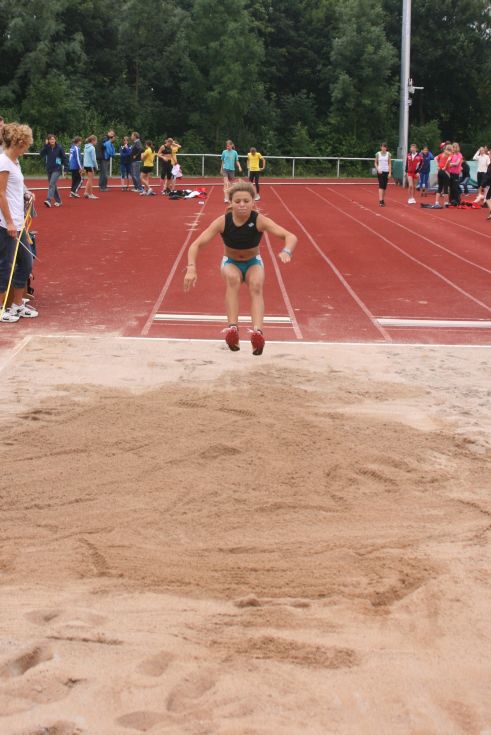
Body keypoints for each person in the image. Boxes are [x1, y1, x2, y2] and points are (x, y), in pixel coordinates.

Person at [183, 181, 297, 356]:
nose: (242, 205)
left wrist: (286, 250)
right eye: (237, 201)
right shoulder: (223, 221)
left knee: (256, 285)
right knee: (233, 280)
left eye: (246, 201)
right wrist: (191, 268)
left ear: (253, 202)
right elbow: (195, 244)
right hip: (231, 262)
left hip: (253, 262)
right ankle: (232, 329)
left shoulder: (259, 220)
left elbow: (290, 236)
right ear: (230, 203)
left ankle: (257, 333)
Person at [0, 122, 38, 322]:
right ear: (19, 142)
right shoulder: (4, 162)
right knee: (6, 265)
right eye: (26, 144)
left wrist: (27, 193)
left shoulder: (14, 162)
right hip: (7, 224)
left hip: (18, 221)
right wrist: (9, 222)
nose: (27, 148)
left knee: (26, 262)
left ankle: (16, 305)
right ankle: (1, 308)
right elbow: (0, 193)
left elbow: (17, 187)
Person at [39, 134, 68, 208]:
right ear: (48, 140)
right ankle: (58, 201)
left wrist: (65, 168)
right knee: (53, 185)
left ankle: (48, 200)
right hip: (49, 169)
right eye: (50, 139)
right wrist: (45, 145)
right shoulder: (47, 148)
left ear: (55, 140)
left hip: (57, 169)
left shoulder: (59, 148)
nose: (52, 140)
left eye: (53, 139)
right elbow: (41, 154)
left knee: (51, 184)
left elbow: (64, 158)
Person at [433, 144, 452, 208]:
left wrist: (437, 166)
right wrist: (445, 167)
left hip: (440, 171)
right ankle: (446, 202)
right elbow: (448, 160)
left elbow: (435, 158)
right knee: (446, 187)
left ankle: (436, 202)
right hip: (446, 172)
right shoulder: (450, 154)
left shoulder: (442, 154)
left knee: (440, 187)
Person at [82, 135, 98, 199]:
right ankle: (91, 194)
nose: (96, 142)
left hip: (86, 165)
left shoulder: (85, 147)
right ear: (93, 141)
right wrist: (96, 166)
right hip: (90, 165)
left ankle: (86, 192)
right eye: (96, 140)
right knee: (90, 180)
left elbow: (85, 157)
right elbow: (94, 159)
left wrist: (83, 165)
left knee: (89, 180)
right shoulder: (92, 148)